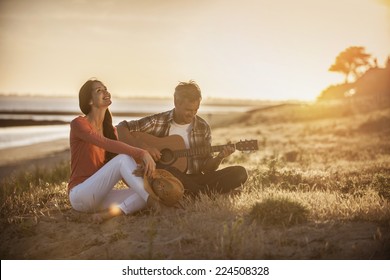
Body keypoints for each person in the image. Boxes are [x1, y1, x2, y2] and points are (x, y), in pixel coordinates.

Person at [117, 80, 248, 196]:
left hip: (196, 179)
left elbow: (206, 169)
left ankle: (194, 194)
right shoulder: (158, 121)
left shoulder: (203, 127)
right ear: (176, 102)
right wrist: (144, 148)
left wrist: (220, 157)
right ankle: (205, 194)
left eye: (196, 110)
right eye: (188, 110)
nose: (192, 114)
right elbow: (121, 127)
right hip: (168, 179)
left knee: (240, 172)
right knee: (167, 169)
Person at [68, 79, 163, 223]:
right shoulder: (79, 124)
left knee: (143, 192)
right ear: (89, 101)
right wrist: (142, 153)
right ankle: (155, 204)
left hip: (100, 196)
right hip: (80, 195)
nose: (105, 91)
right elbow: (105, 144)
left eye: (105, 88)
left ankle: (111, 214)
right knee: (124, 159)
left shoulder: (110, 131)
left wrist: (138, 172)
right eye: (99, 90)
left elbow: (120, 168)